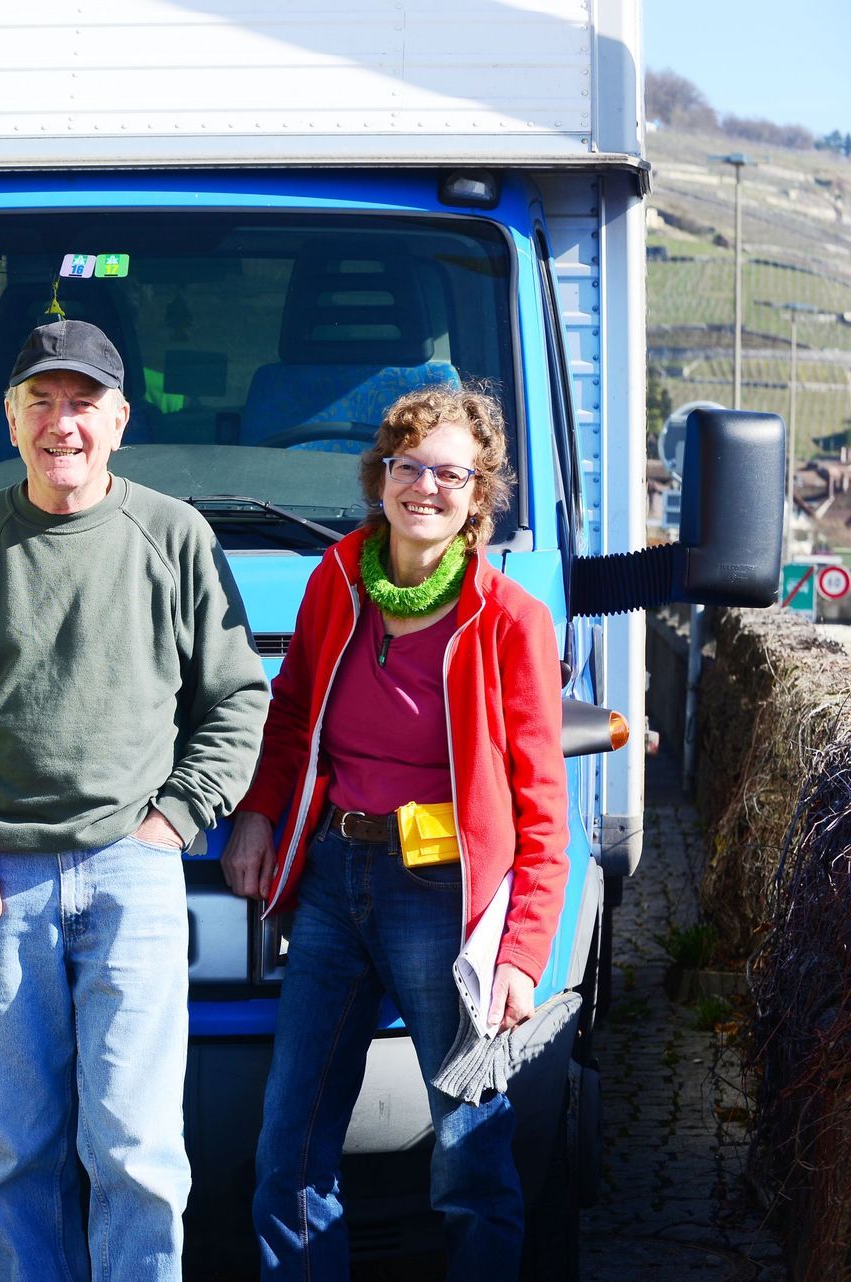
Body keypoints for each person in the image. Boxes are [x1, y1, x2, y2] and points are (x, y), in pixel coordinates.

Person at [0, 318, 270, 1282]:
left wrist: (175, 819)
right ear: (10, 420)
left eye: (83, 402)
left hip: (131, 874)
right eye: (41, 402)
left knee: (136, 1151)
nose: (63, 425)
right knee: (15, 1157)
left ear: (120, 419)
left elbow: (238, 698)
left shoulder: (173, 537)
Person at [221, 384, 568, 1279]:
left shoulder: (510, 619)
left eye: (450, 473)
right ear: (381, 476)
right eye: (408, 466)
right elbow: (291, 714)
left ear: (478, 493)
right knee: (289, 1147)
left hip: (446, 903)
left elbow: (542, 803)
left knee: (470, 1150)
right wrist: (259, 813)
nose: (425, 488)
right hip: (334, 880)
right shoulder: (336, 578)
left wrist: (524, 955)